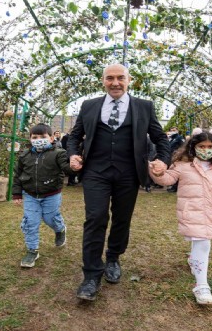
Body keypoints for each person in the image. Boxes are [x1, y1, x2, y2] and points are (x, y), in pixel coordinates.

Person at [67, 63, 170, 301]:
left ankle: (113, 257)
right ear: (103, 80)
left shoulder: (144, 107)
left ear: (129, 80)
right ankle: (92, 274)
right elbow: (74, 136)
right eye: (110, 78)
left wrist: (163, 160)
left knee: (122, 219)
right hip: (96, 172)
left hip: (128, 173)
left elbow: (160, 138)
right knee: (95, 218)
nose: (115, 83)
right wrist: (73, 154)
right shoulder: (89, 105)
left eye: (120, 78)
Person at [148, 127, 212, 305]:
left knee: (201, 241)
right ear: (193, 147)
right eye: (201, 146)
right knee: (203, 243)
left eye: (209, 146)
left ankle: (194, 261)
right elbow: (167, 179)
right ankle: (202, 286)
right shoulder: (183, 166)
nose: (206, 150)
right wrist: (157, 172)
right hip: (190, 211)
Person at [12, 123, 73, 268]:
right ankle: (32, 250)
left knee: (50, 218)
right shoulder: (24, 155)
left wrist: (75, 166)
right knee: (30, 222)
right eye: (35, 137)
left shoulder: (59, 153)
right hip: (31, 195)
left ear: (51, 138)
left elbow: (67, 168)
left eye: (43, 136)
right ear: (30, 139)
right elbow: (18, 175)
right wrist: (16, 193)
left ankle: (60, 229)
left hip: (51, 194)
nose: (39, 139)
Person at [166, 127, 185, 192]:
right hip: (171, 157)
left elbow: (184, 146)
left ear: (177, 130)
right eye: (171, 130)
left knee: (176, 171)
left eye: (174, 130)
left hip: (177, 157)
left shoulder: (179, 138)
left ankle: (175, 187)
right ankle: (173, 185)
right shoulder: (172, 138)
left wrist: (179, 154)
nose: (172, 131)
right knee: (172, 171)